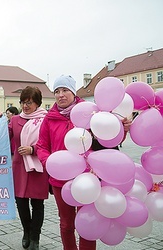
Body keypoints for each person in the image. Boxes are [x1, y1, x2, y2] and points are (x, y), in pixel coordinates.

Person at [36, 75, 131, 250]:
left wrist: (122, 130)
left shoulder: (89, 112)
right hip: (60, 180)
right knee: (66, 224)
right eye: (57, 91)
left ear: (73, 92)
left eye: (65, 90)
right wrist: (49, 163)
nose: (61, 95)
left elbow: (106, 138)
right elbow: (42, 145)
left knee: (88, 224)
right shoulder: (49, 118)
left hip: (87, 179)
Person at [5, 87, 49, 250]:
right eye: (23, 102)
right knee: (21, 202)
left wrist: (33, 149)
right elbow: (3, 135)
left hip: (38, 167)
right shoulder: (15, 120)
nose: (25, 106)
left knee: (37, 204)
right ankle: (27, 231)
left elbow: (48, 142)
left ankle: (35, 238)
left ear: (37, 103)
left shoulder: (46, 119)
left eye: (29, 102)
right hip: (19, 167)